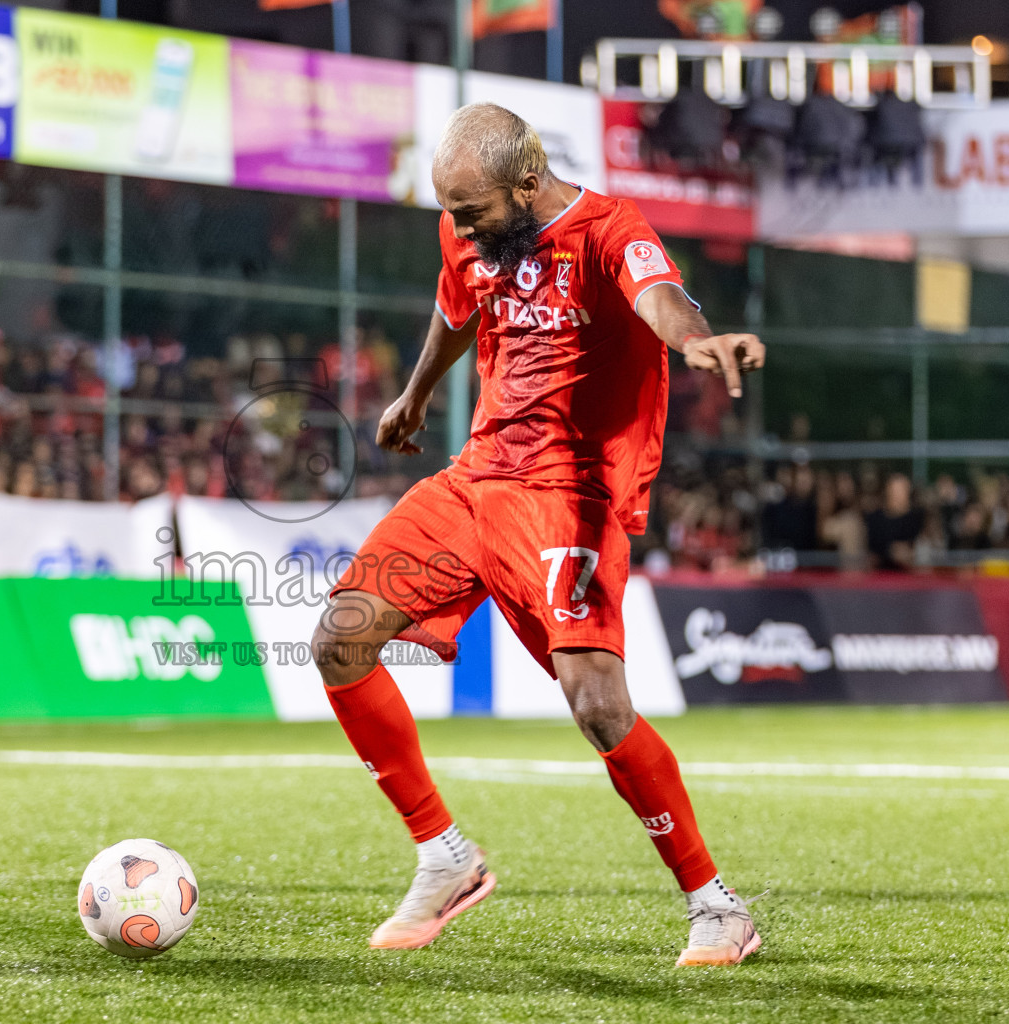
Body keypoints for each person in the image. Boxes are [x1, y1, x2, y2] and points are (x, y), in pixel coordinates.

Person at [312, 104, 766, 964]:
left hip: (572, 495)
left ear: (526, 182)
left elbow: (659, 296)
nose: (459, 228)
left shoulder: (608, 229)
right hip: (477, 479)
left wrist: (698, 343)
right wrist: (413, 398)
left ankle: (716, 907)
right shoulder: (473, 234)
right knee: (339, 638)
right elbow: (457, 310)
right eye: (449, 211)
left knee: (598, 706)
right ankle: (443, 855)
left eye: (472, 211)